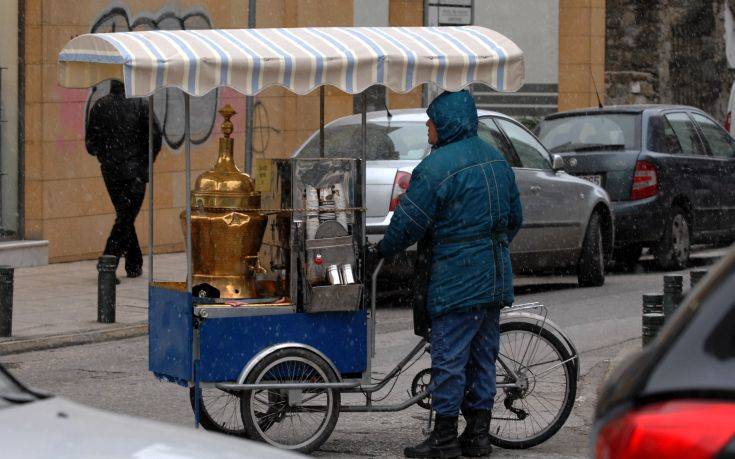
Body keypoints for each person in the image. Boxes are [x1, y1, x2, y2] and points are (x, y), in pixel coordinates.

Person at [376, 90, 523, 458]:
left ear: (446, 125)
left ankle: (443, 438)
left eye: (431, 122)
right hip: (493, 278)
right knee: (482, 357)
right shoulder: (497, 160)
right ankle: (477, 436)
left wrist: (380, 251)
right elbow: (514, 219)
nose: (428, 128)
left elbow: (409, 223)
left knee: (450, 358)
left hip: (456, 280)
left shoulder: (436, 167)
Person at [85, 80, 162, 278]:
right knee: (125, 218)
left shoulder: (100, 106)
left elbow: (90, 143)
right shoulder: (141, 105)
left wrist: (105, 155)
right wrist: (144, 163)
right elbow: (155, 137)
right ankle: (108, 262)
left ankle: (134, 262)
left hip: (111, 172)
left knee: (125, 216)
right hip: (134, 173)